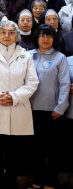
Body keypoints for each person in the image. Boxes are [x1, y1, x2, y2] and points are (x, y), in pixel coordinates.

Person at [0, 20, 39, 189]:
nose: (7, 35)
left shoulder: (25, 55)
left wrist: (14, 97)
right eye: (4, 32)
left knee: (14, 155)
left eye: (11, 32)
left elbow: (32, 82)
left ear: (16, 35)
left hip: (17, 109)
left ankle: (10, 185)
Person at [29, 24, 70, 189]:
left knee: (53, 149)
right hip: (30, 111)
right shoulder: (27, 56)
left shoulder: (60, 58)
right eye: (42, 35)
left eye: (49, 36)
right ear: (36, 38)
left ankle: (51, 182)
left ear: (54, 39)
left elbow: (65, 84)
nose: (46, 39)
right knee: (35, 149)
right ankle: (37, 181)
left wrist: (60, 108)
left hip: (52, 112)